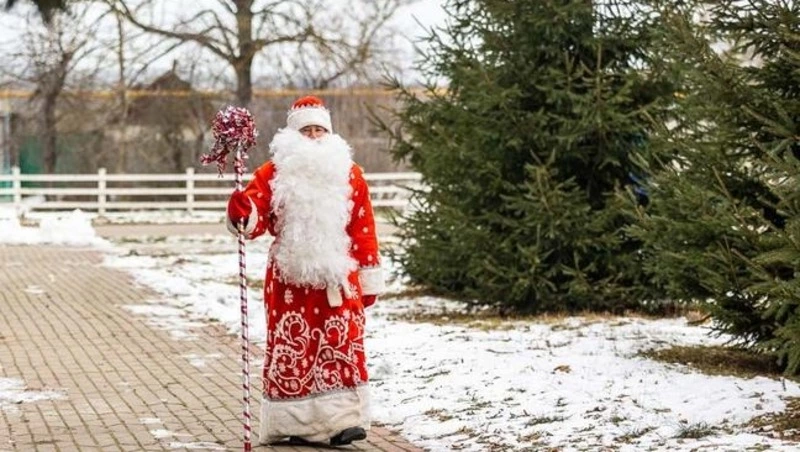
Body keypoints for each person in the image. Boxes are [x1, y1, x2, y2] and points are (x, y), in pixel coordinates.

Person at [225, 95, 384, 446]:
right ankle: (291, 422)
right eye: (306, 130)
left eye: (319, 130)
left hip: (339, 280)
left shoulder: (350, 174)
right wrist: (243, 211)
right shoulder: (272, 174)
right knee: (294, 348)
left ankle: (343, 421)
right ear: (293, 136)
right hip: (289, 282)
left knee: (342, 344)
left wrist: (369, 276)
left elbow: (363, 227)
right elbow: (254, 219)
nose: (313, 136)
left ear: (329, 134)